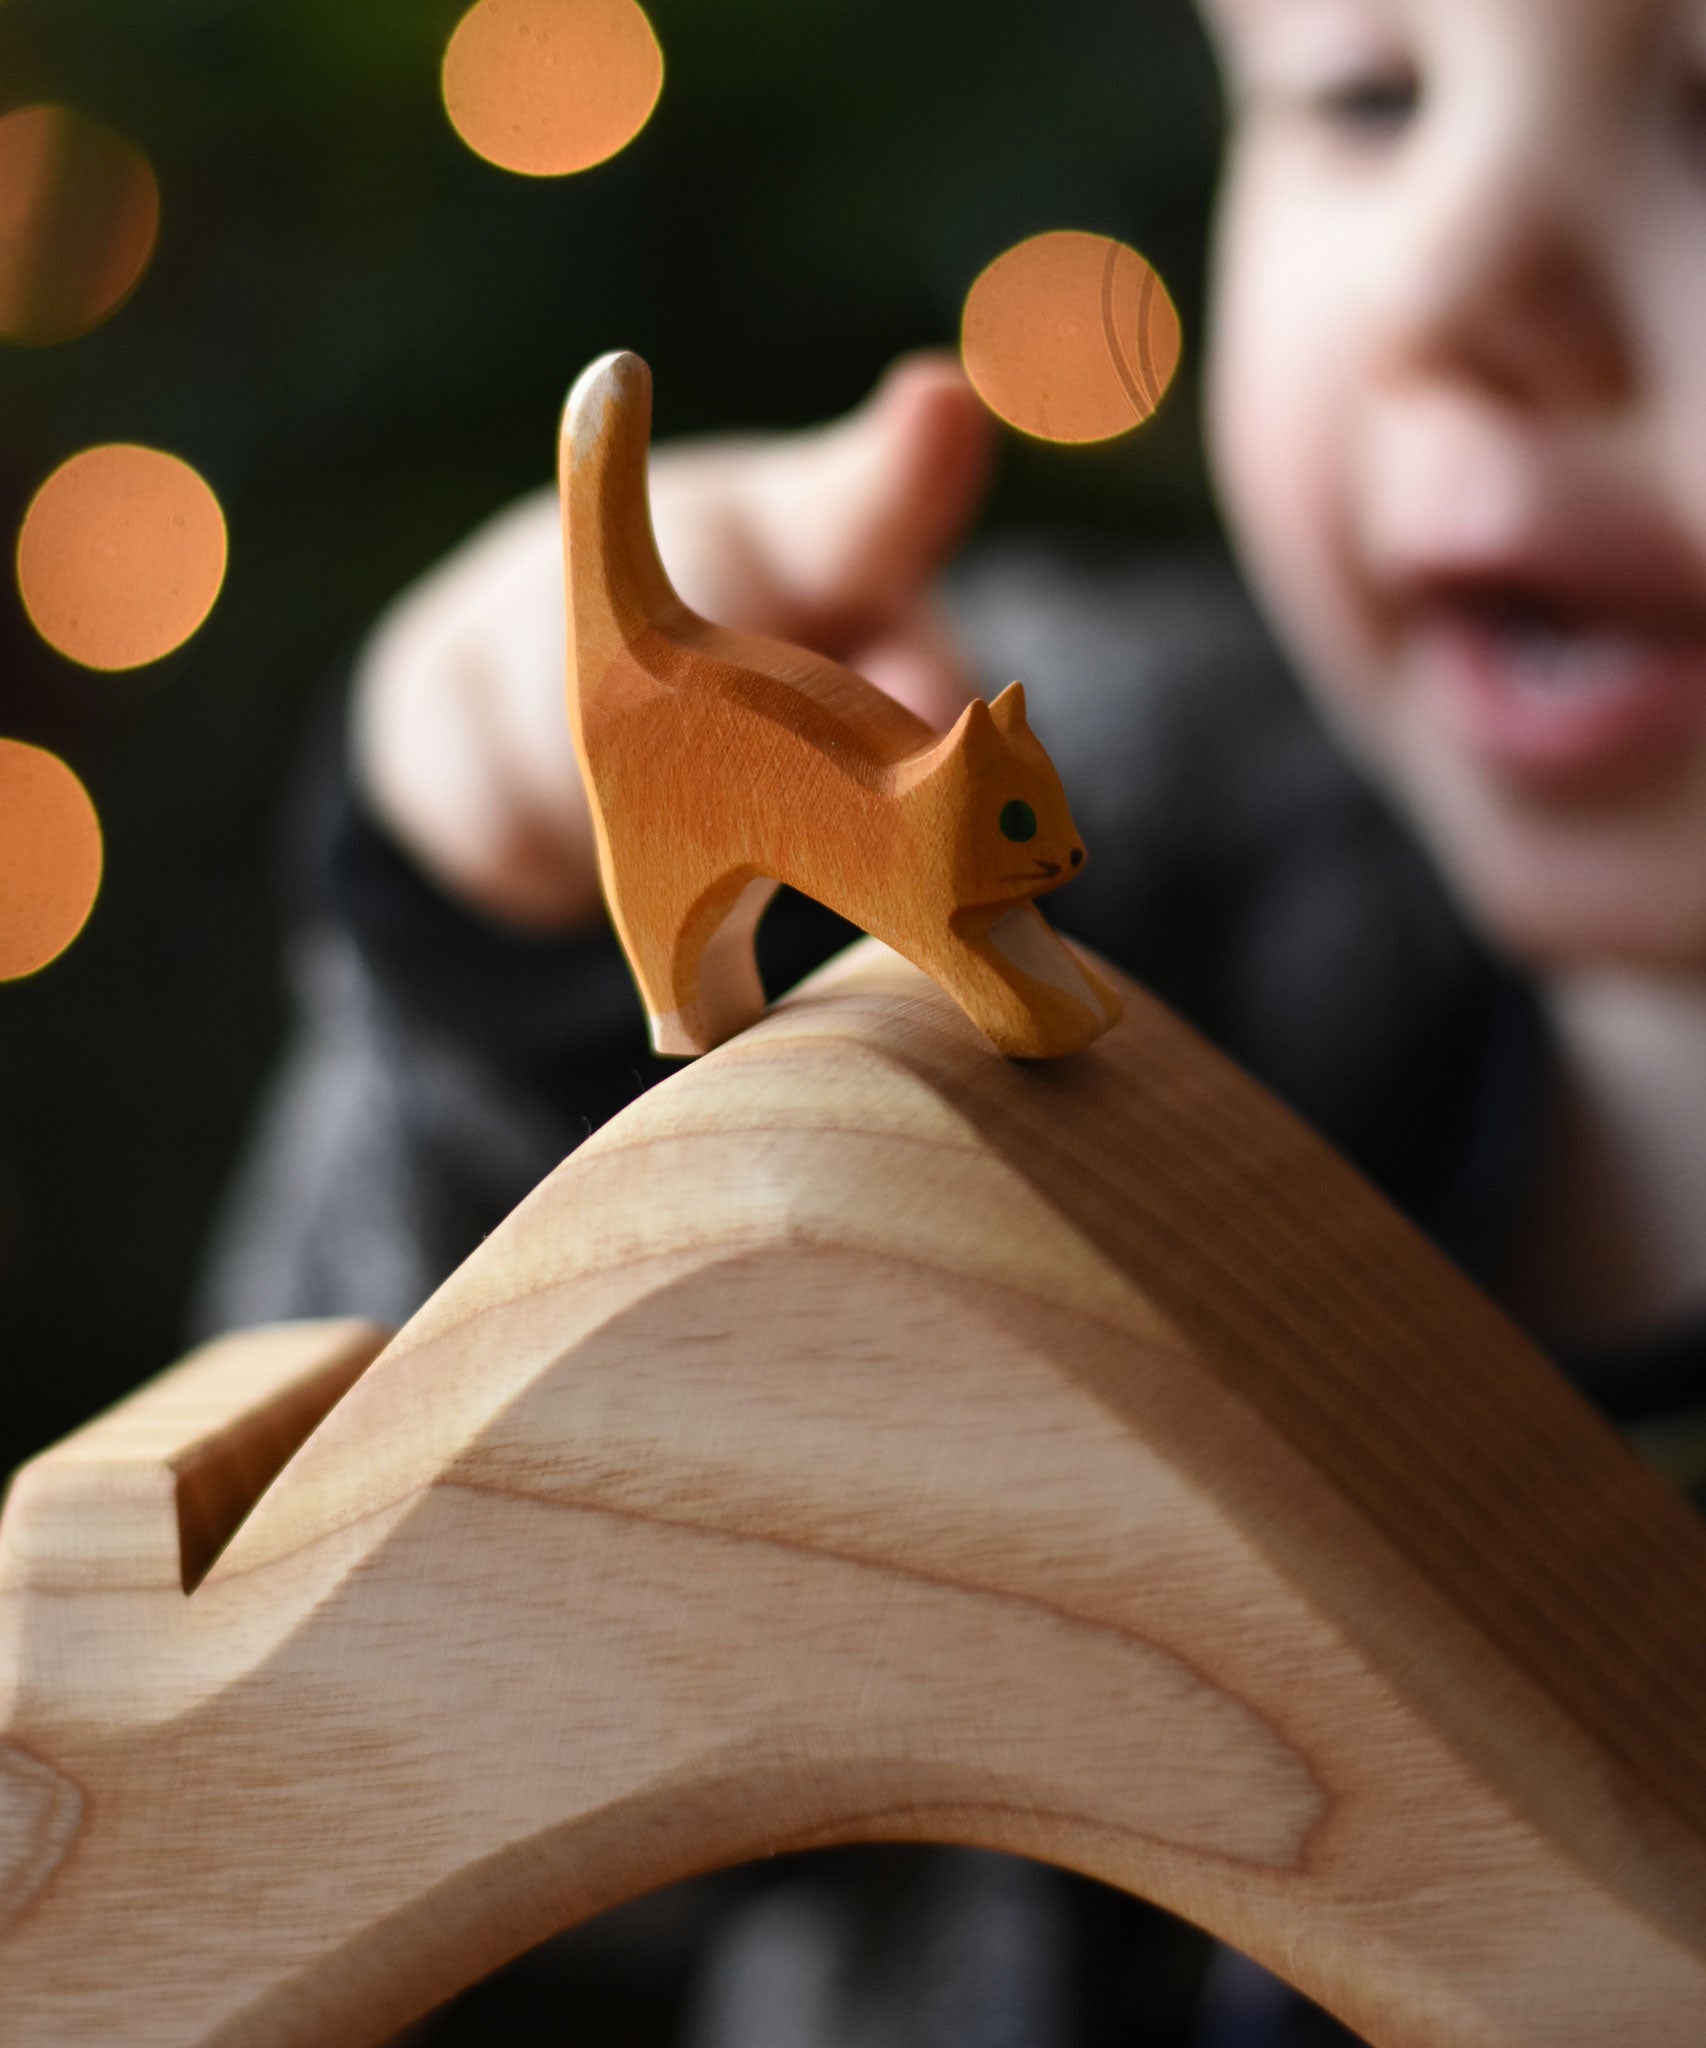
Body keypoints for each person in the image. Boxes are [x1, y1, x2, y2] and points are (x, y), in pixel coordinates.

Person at [199, 0, 1706, 2039]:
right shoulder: (1135, 805)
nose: (1458, 284)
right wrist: (509, 965)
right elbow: (346, 1669)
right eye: (1365, 95)